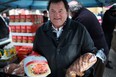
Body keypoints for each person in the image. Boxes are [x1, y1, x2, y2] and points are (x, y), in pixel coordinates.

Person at [33, 0, 97, 77]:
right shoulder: (40, 32)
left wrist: (82, 73)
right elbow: (35, 55)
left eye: (60, 11)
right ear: (48, 13)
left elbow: (91, 54)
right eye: (52, 11)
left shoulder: (79, 29)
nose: (57, 15)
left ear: (67, 12)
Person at [68, 1, 109, 77]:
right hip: (99, 51)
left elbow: (75, 39)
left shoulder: (82, 19)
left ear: (72, 11)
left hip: (97, 54)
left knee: (94, 74)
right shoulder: (84, 13)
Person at [102, 5, 116, 69]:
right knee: (106, 48)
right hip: (105, 34)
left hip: (109, 33)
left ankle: (106, 60)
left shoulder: (110, 14)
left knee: (108, 47)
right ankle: (105, 62)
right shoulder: (108, 15)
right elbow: (112, 20)